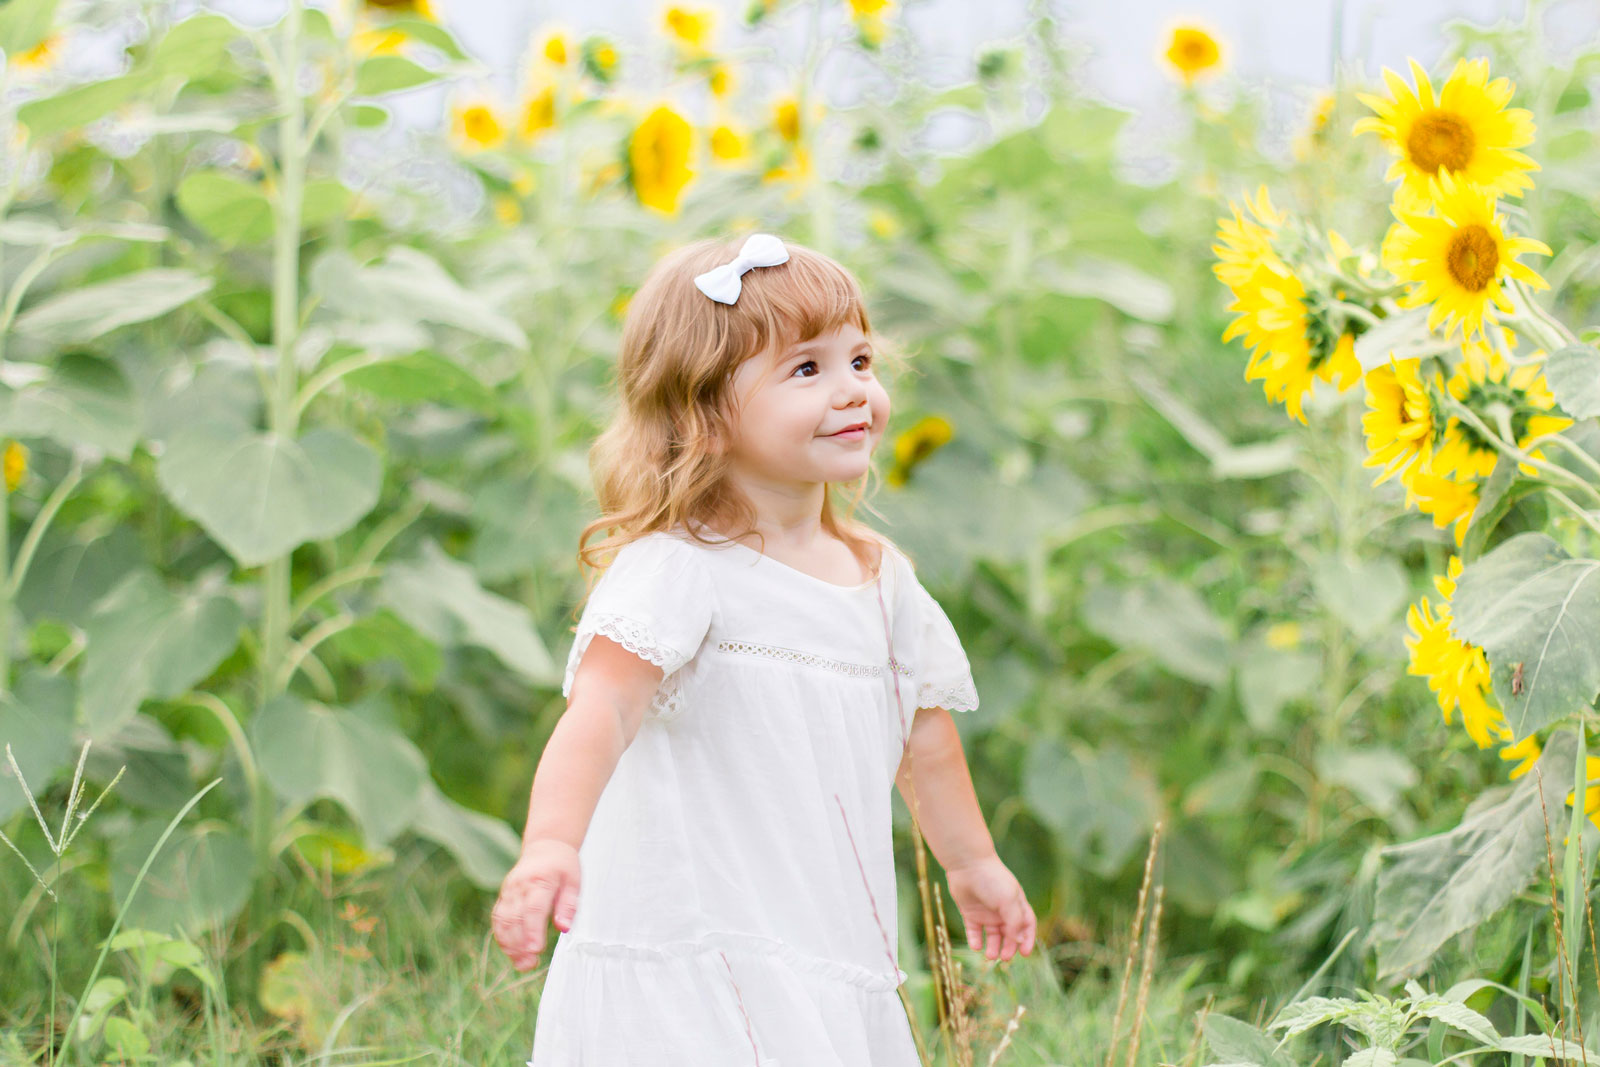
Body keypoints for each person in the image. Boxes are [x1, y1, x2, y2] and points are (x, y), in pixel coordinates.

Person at [493, 232, 1036, 1066]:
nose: (856, 390)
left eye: (860, 358)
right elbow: (600, 708)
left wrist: (971, 861)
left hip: (825, 931)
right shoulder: (679, 570)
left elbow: (924, 739)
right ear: (705, 414)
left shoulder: (882, 581)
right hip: (691, 935)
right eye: (807, 370)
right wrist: (551, 843)